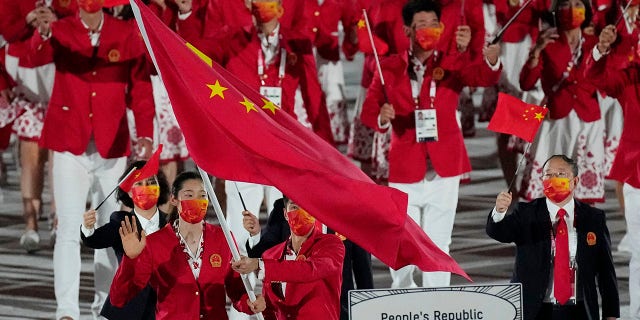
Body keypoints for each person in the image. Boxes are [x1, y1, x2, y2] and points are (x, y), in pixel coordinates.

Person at [360, 0, 501, 288]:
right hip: (404, 169)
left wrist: (492, 60)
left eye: (433, 26)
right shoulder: (389, 67)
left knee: (439, 243)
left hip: (443, 167)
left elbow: (482, 76)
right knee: (401, 241)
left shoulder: (451, 62)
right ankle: (403, 296)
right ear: (407, 31)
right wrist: (382, 117)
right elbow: (368, 110)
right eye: (420, 26)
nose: (428, 31)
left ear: (441, 28)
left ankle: (437, 301)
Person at [30, 1, 155, 318]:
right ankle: (67, 309)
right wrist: (42, 34)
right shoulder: (60, 28)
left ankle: (104, 302)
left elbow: (139, 85)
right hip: (69, 144)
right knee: (69, 228)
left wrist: (146, 132)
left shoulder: (125, 32)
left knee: (111, 228)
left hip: (111, 145)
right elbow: (35, 57)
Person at [109, 171, 262, 319]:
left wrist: (250, 303)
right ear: (174, 200)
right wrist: (130, 259)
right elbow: (119, 298)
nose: (197, 201)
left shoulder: (223, 238)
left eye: (202, 195)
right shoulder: (155, 243)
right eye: (189, 195)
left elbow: (237, 290)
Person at [487, 155, 619, 320]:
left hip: (579, 309)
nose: (553, 179)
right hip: (535, 309)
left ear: (575, 181)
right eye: (548, 175)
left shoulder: (593, 218)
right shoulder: (526, 213)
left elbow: (605, 270)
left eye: (561, 174)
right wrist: (499, 212)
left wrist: (611, 314)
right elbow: (498, 232)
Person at [518, 0, 606, 204]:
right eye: (566, 4)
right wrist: (536, 51)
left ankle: (581, 232)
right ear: (557, 10)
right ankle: (553, 232)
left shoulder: (595, 42)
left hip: (588, 118)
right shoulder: (548, 41)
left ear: (586, 11)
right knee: (556, 187)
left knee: (585, 190)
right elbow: (526, 82)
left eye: (578, 4)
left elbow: (606, 80)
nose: (572, 9)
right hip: (557, 119)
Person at [585, 23, 640, 320]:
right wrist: (600, 50)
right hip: (638, 175)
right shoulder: (629, 79)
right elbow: (595, 76)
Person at [242, 198, 373, 320]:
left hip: (338, 309)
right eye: (294, 207)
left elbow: (363, 267)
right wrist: (255, 234)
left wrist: (368, 307)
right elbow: (266, 253)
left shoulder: (347, 211)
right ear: (285, 213)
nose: (301, 213)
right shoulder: (281, 207)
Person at [80, 160, 170, 320]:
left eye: (151, 182)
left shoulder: (173, 225)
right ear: (129, 192)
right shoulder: (121, 222)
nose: (146, 188)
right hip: (126, 310)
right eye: (139, 184)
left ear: (159, 186)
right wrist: (88, 227)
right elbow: (95, 240)